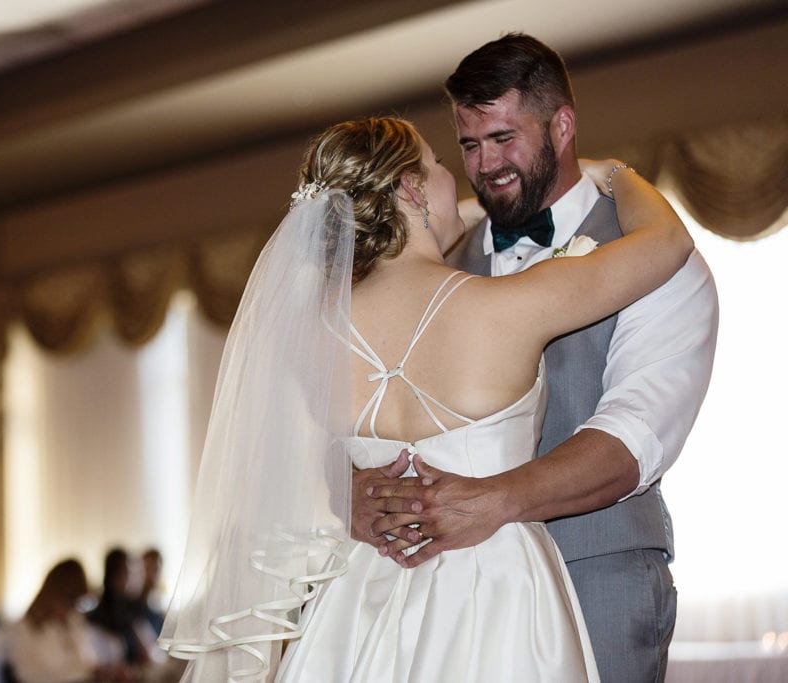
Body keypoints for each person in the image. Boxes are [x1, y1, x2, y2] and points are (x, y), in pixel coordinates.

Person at [161, 112, 695, 680]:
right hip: (493, 591)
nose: (453, 180)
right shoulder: (507, 308)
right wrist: (613, 174)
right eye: (439, 164)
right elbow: (666, 242)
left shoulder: (306, 334)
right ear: (413, 187)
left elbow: (282, 471)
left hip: (356, 600)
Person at [352, 34, 719, 682]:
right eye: (468, 144)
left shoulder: (657, 260)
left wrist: (494, 498)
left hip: (595, 579)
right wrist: (352, 488)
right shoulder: (435, 255)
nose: (485, 164)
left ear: (563, 125)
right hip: (445, 591)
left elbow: (632, 437)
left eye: (503, 138)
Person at [4, 558, 135, 683]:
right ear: (52, 593)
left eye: (73, 603)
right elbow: (35, 675)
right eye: (67, 600)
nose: (69, 609)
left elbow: (88, 659)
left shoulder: (73, 622)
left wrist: (104, 671)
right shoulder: (24, 629)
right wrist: (91, 672)